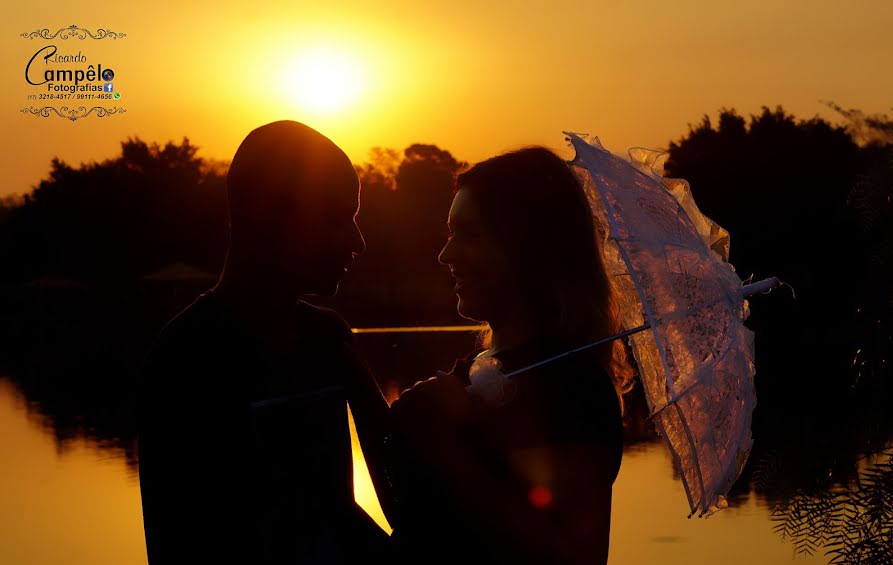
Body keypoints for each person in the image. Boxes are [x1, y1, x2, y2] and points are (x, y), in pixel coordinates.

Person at [349, 146, 635, 565]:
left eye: (470, 235)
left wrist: (441, 443)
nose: (447, 256)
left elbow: (575, 554)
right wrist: (359, 384)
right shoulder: (476, 369)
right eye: (451, 234)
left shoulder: (570, 388)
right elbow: (412, 516)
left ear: (528, 248)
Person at [137, 120, 386, 564]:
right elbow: (179, 541)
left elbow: (334, 511)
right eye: (336, 218)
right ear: (270, 215)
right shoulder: (185, 358)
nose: (358, 242)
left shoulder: (326, 339)